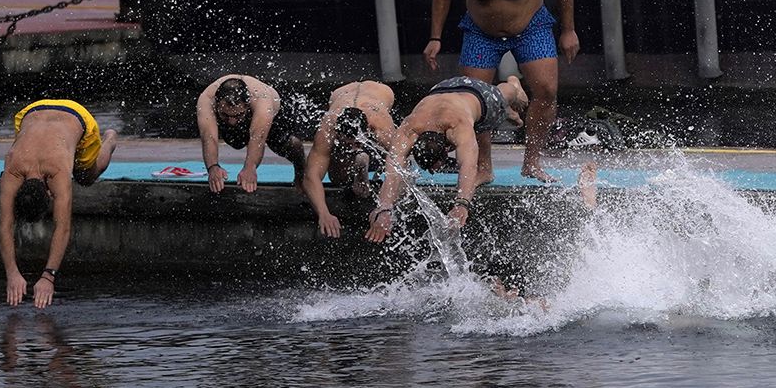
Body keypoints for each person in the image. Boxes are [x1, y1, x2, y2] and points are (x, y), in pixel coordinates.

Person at [424, 0, 579, 183]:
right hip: (481, 32)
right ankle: (484, 167)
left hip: (531, 26)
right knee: (473, 99)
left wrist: (568, 30)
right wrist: (435, 38)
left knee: (546, 90)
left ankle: (532, 162)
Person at [364, 76, 528, 243]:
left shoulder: (457, 126)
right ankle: (506, 114)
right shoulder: (409, 128)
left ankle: (513, 87)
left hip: (479, 94)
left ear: (446, 150)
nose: (434, 172)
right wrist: (384, 209)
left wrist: (462, 204)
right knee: (484, 121)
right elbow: (393, 170)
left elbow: (468, 166)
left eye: (435, 167)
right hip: (441, 88)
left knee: (502, 96)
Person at [0, 100, 117, 308]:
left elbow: (63, 227)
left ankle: (110, 138)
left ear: (49, 192)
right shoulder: (12, 167)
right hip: (32, 110)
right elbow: (4, 226)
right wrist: (12, 273)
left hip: (78, 115)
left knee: (85, 177)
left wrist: (48, 276)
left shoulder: (58, 172)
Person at [300, 80, 399, 238]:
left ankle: (364, 160)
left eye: (357, 144)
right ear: (338, 133)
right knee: (337, 178)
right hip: (342, 92)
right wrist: (324, 213)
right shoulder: (328, 127)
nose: (352, 148)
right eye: (348, 144)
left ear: (367, 130)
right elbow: (311, 175)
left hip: (380, 91)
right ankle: (359, 161)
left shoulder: (381, 126)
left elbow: (399, 168)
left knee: (395, 166)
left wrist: (385, 208)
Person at [196, 75, 321, 194]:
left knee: (287, 144)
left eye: (238, 115)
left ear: (247, 105)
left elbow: (258, 139)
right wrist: (212, 167)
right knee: (234, 140)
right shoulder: (207, 99)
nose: (232, 122)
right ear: (217, 104)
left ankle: (300, 170)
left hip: (274, 115)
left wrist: (250, 167)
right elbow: (208, 137)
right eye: (225, 115)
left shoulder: (262, 100)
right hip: (238, 115)